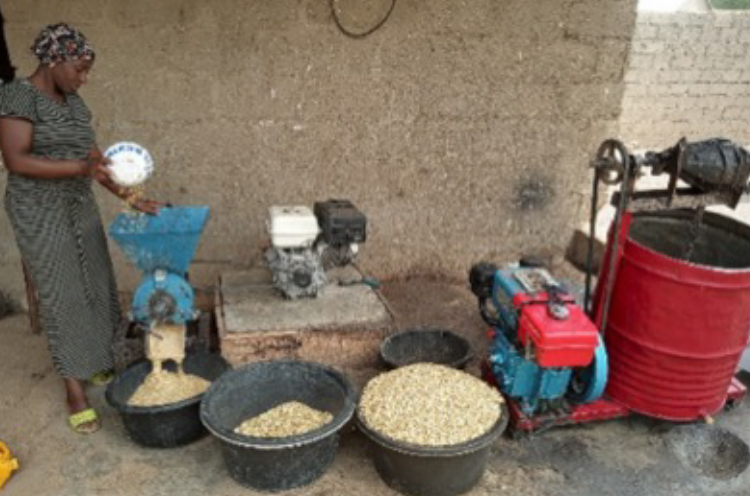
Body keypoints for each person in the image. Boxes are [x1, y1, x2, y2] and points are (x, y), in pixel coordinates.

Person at [0, 23, 160, 434]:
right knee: (61, 292)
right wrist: (80, 168)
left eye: (87, 70)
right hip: (39, 209)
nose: (83, 77)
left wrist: (131, 196)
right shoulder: (17, 96)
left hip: (77, 202)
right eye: (79, 69)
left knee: (95, 282)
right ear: (53, 60)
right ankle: (73, 387)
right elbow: (17, 160)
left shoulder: (73, 102)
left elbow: (95, 160)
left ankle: (95, 359)